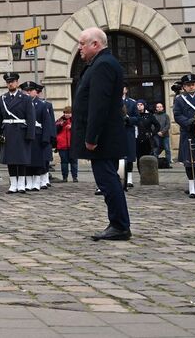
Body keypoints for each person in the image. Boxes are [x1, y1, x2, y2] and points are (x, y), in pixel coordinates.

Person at [71, 27, 131, 241]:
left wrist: (91, 137)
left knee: (108, 181)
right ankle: (118, 223)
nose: (79, 48)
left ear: (95, 44)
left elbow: (99, 105)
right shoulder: (99, 63)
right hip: (105, 136)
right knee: (108, 180)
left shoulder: (103, 65)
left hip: (103, 138)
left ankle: (120, 225)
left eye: (82, 44)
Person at [0, 72, 35, 195]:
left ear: (17, 83)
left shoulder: (26, 98)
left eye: (12, 81)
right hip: (8, 132)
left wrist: (30, 134)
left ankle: (22, 184)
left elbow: (31, 118)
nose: (10, 84)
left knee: (21, 159)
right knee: (10, 159)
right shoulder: (2, 99)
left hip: (21, 131)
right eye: (8, 82)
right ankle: (13, 184)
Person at [121, 87, 139, 189]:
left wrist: (129, 119)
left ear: (126, 90)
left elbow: (137, 118)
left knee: (129, 156)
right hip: (117, 131)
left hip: (128, 132)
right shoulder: (113, 100)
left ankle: (129, 179)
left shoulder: (132, 102)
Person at [55, 106, 77, 182]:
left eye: (69, 113)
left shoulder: (75, 120)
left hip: (73, 144)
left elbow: (79, 130)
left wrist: (72, 127)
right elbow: (55, 130)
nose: (67, 114)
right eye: (66, 113)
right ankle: (65, 177)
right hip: (62, 144)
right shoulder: (60, 120)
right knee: (64, 162)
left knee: (74, 162)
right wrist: (60, 125)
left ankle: (75, 177)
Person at [152, 101, 172, 167]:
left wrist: (162, 132)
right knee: (156, 149)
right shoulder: (153, 116)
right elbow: (152, 125)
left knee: (167, 149)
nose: (159, 108)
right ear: (156, 108)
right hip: (156, 136)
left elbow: (168, 125)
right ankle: (155, 164)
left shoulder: (166, 116)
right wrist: (157, 132)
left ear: (163, 108)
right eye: (158, 107)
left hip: (165, 135)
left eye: (160, 107)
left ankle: (168, 163)